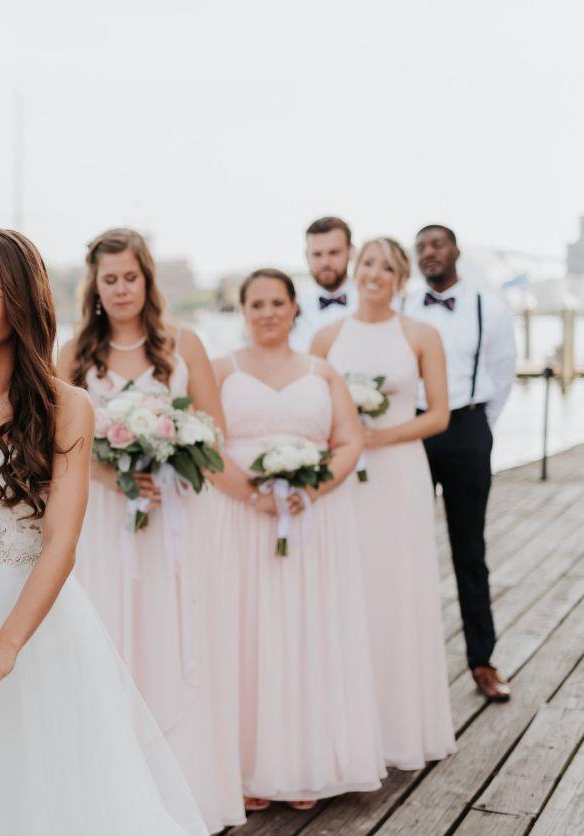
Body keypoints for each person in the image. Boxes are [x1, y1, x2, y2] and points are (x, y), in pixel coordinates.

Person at [0, 228, 207, 835]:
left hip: (34, 625)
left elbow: (61, 545)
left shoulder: (66, 407)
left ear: (22, 302)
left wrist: (4, 650)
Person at [57, 228, 239, 833]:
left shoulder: (184, 344)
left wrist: (171, 454)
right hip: (104, 522)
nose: (121, 289)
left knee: (172, 634)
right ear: (95, 286)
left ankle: (186, 790)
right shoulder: (74, 354)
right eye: (109, 279)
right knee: (110, 636)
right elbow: (55, 444)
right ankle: (112, 797)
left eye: (130, 277)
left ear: (147, 280)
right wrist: (114, 476)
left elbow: (214, 433)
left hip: (174, 520)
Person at [209, 269, 386, 810]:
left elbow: (349, 441)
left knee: (306, 631)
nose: (267, 313)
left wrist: (312, 489)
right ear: (243, 311)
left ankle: (304, 766)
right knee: (244, 633)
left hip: (311, 521)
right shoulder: (220, 369)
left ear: (294, 308)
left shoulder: (323, 372)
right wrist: (252, 495)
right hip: (240, 520)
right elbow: (205, 446)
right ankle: (244, 770)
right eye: (256, 304)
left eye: (277, 303)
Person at [312, 237, 457, 769]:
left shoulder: (421, 335)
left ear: (401, 278)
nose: (376, 274)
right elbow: (313, 408)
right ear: (356, 270)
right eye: (369, 263)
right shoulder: (327, 337)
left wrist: (377, 437)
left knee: (398, 585)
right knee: (347, 584)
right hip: (345, 479)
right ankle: (346, 728)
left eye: (388, 267)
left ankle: (402, 727)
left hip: (399, 475)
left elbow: (439, 415)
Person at [405, 224, 517, 702]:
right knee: (406, 548)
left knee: (469, 549)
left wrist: (477, 428)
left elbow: (503, 373)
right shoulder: (403, 307)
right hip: (413, 432)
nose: (429, 253)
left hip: (467, 428)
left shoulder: (489, 308)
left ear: (456, 251)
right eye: (421, 247)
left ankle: (482, 661)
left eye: (437, 244)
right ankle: (409, 664)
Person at [290, 216, 356, 352]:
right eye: (317, 254)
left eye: (334, 253)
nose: (325, 262)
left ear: (350, 251)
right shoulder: (292, 307)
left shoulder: (373, 301)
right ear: (306, 255)